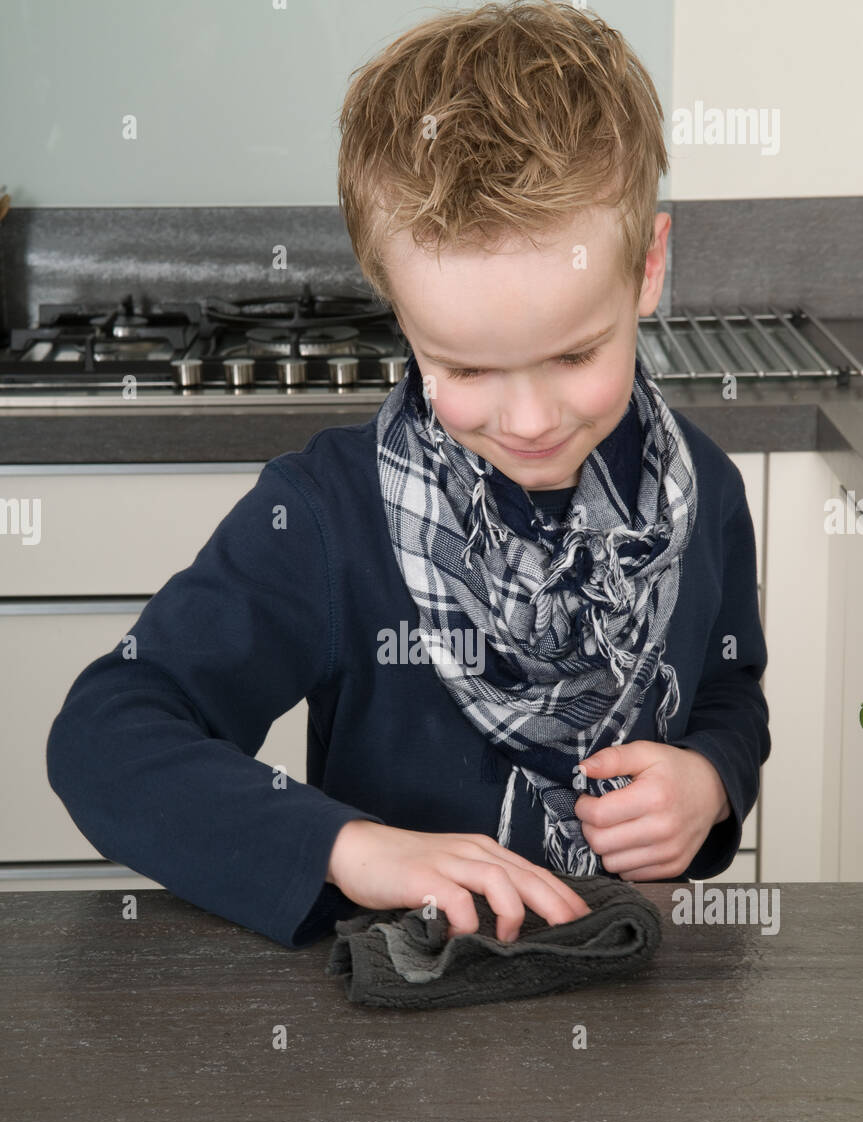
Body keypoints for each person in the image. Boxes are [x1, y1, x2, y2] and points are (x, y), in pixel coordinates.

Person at [46, 1, 769, 951]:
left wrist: (711, 778)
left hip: (630, 1013)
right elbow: (105, 737)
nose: (527, 420)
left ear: (646, 268)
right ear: (397, 310)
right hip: (398, 1040)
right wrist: (349, 846)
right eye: (465, 368)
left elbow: (727, 692)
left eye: (573, 354)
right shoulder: (322, 517)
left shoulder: (703, 489)